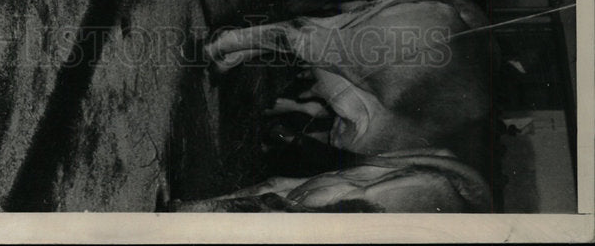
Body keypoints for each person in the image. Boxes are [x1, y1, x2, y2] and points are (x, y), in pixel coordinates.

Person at [171, 149, 491, 212]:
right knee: (280, 205)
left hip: (426, 169)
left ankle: (192, 209)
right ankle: (194, 213)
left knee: (278, 186)